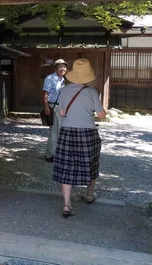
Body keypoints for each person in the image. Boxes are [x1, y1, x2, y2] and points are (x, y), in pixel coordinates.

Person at [53, 58, 107, 218]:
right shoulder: (91, 92)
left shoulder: (64, 90)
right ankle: (89, 193)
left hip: (67, 131)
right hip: (87, 133)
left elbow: (62, 113)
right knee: (91, 162)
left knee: (66, 166)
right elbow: (101, 115)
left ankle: (67, 204)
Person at [42, 59, 67, 163]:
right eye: (60, 66)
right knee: (54, 131)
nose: (63, 68)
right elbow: (45, 93)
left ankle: (56, 153)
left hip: (60, 107)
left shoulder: (62, 79)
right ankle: (50, 155)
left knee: (59, 131)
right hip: (53, 107)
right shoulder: (50, 78)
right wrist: (46, 107)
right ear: (55, 68)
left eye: (64, 66)